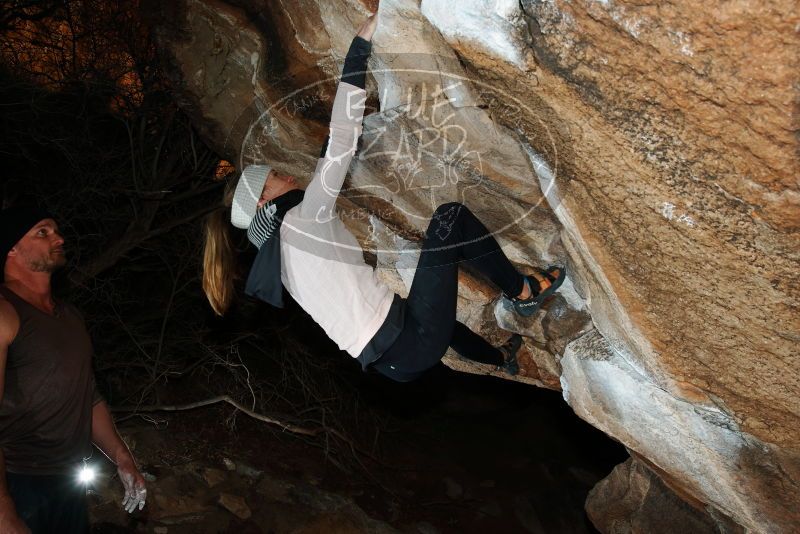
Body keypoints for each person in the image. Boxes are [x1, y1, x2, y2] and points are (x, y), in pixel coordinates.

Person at [202, 9, 566, 382]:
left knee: (440, 321)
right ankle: (522, 291)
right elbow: (343, 140)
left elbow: (327, 165)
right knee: (449, 218)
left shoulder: (279, 256)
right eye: (276, 176)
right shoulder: (302, 219)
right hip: (408, 340)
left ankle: (501, 359)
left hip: (391, 361)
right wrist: (358, 49)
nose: (287, 175)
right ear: (264, 201)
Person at [0, 206, 147, 534]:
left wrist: (123, 458)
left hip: (67, 482)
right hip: (17, 480)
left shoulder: (70, 317)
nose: (59, 238)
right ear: (11, 248)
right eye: (43, 232)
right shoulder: (5, 311)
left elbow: (88, 396)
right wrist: (3, 512)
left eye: (55, 230)